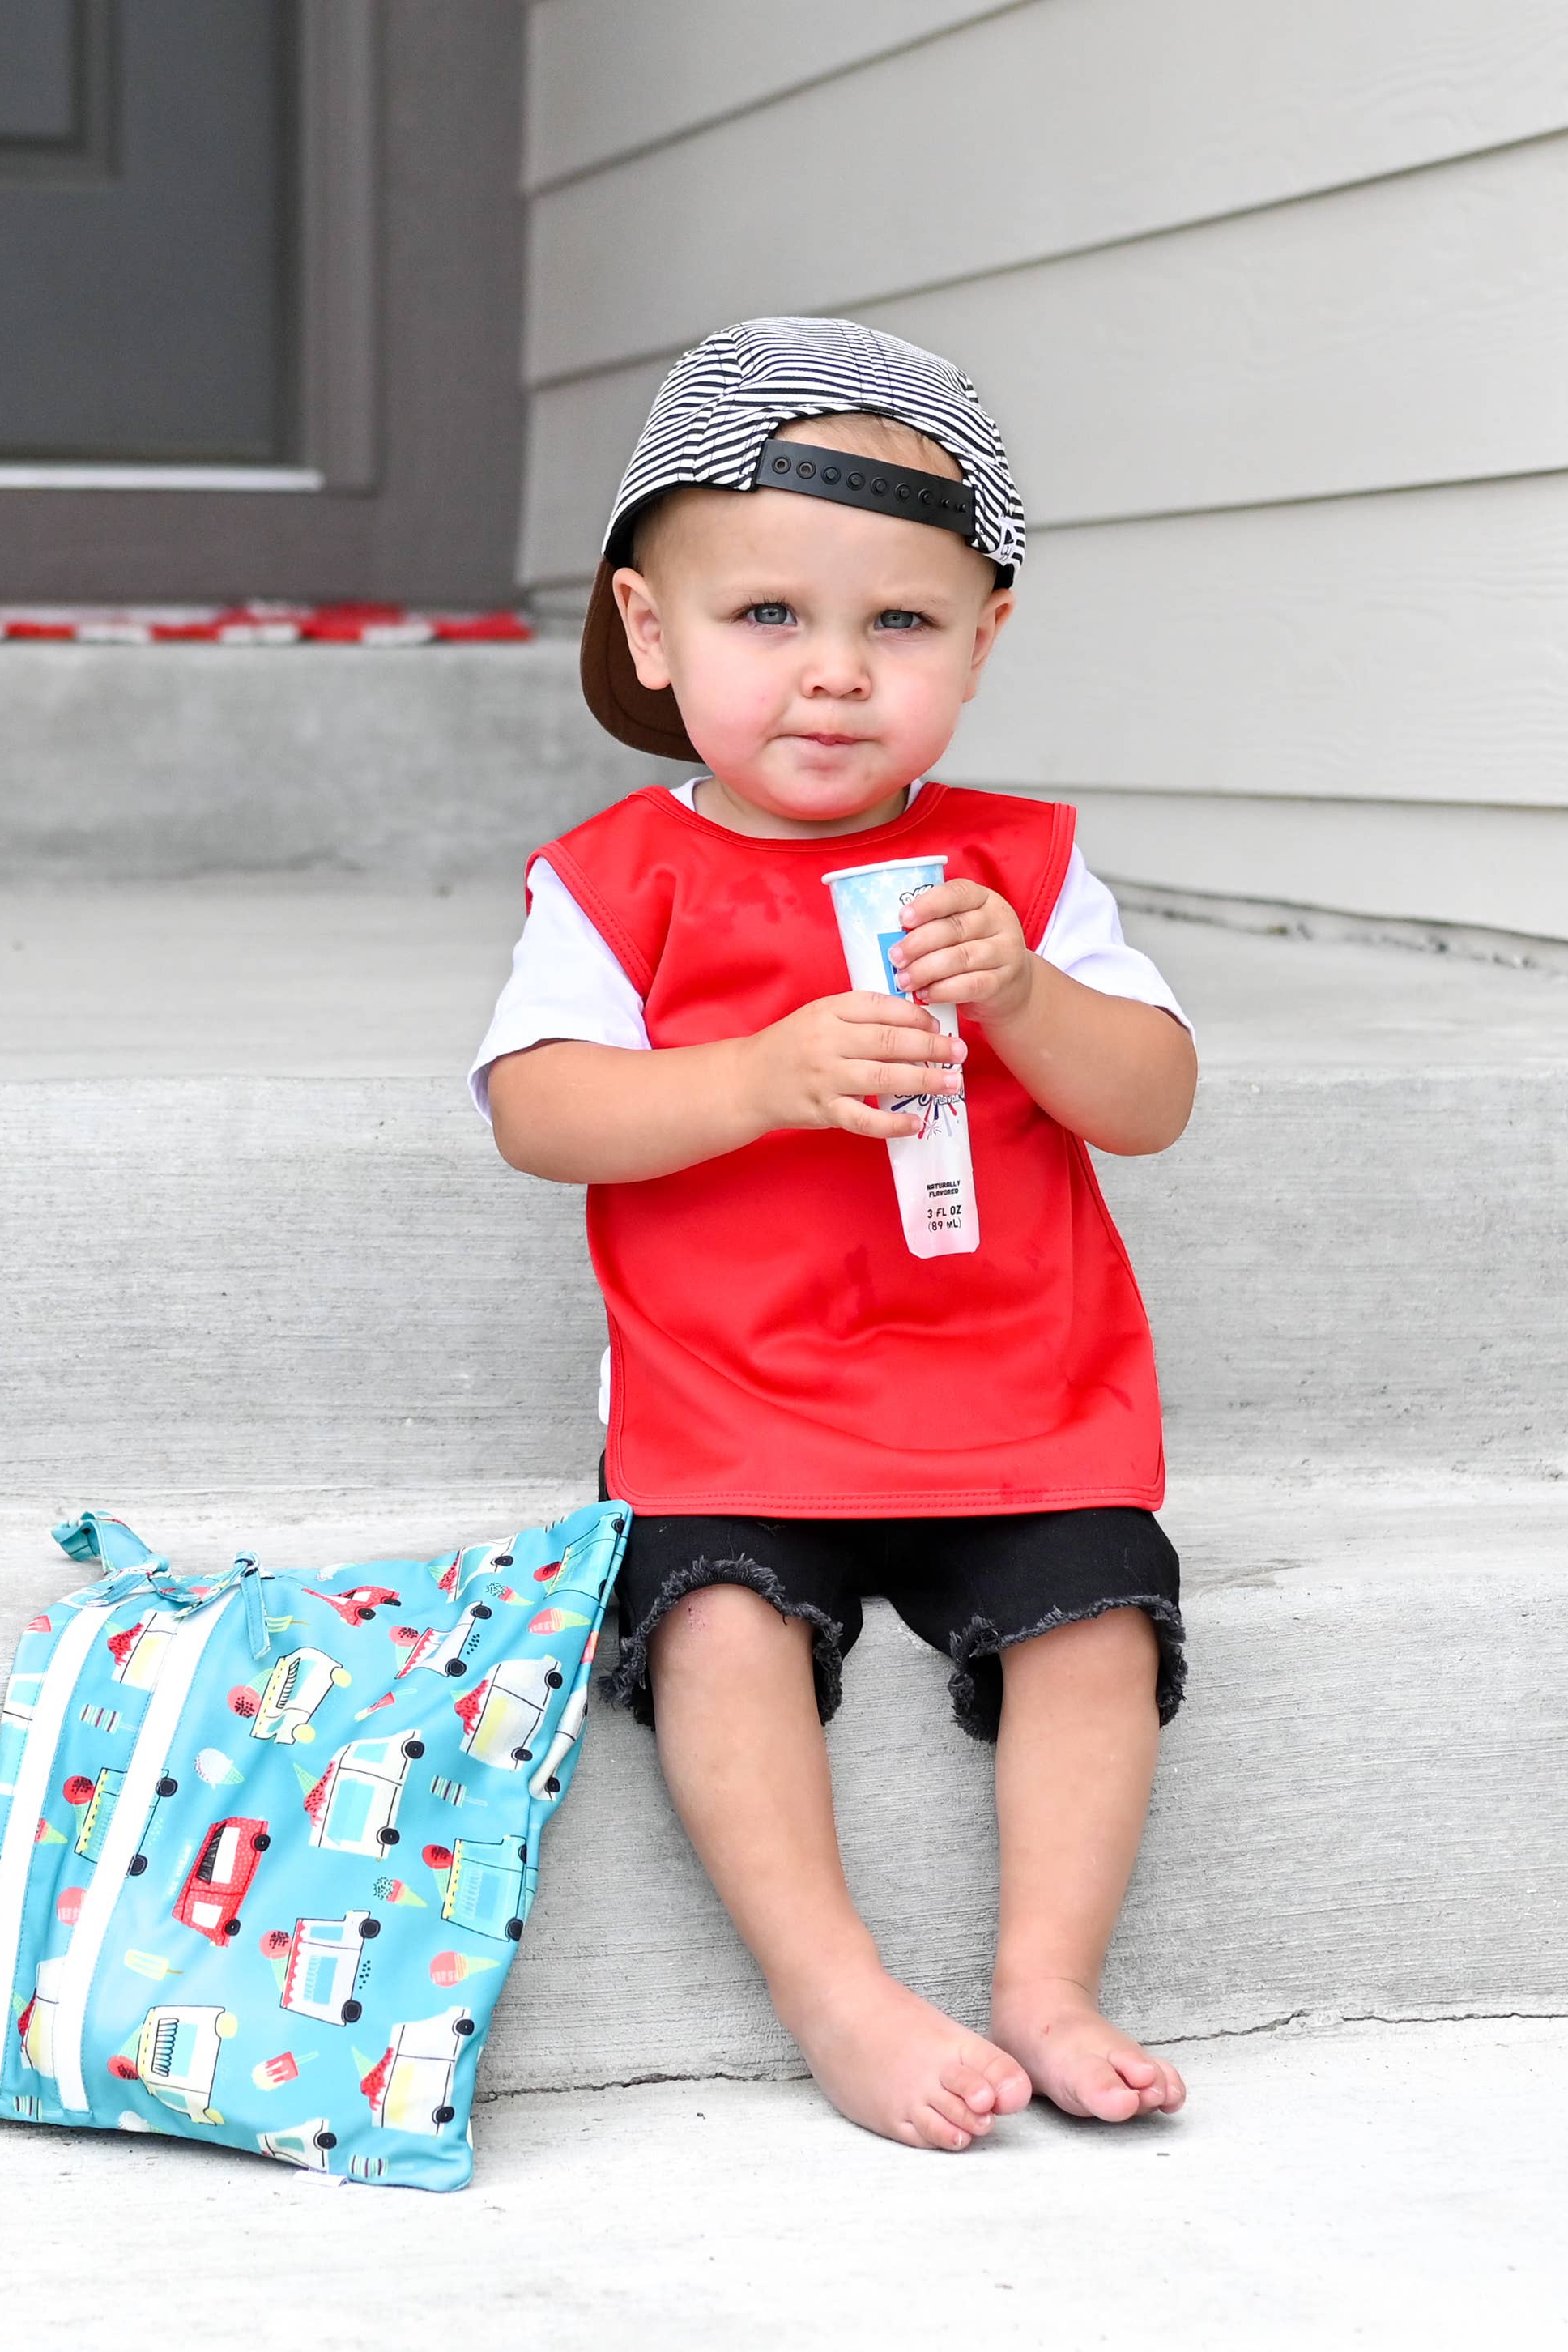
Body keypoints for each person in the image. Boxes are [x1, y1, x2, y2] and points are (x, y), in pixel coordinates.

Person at [474, 319, 1202, 2153]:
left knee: (1096, 1619)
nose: (832, 677)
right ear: (652, 631)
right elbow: (537, 1109)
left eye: (899, 625)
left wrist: (1029, 999)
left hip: (1013, 1394)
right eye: (766, 619)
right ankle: (836, 1988)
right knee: (717, 1623)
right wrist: (752, 1077)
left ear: (982, 644)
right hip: (740, 1406)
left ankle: (1046, 1976)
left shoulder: (1016, 872)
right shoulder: (615, 880)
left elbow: (1153, 1095)